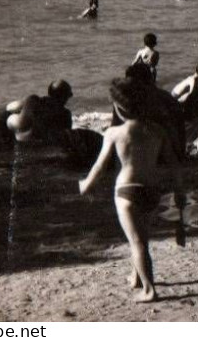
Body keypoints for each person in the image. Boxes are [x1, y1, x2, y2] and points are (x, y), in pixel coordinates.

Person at [78, 78, 186, 303]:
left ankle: (149, 290)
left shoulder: (114, 133)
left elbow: (99, 166)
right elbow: (174, 163)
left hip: (127, 192)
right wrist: (179, 190)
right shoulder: (158, 131)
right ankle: (136, 277)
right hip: (152, 191)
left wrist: (86, 184)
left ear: (118, 107)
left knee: (137, 242)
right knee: (139, 236)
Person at [169, 60, 198, 140]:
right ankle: (195, 139)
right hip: (174, 106)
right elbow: (188, 98)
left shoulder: (191, 78)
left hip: (172, 102)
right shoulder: (194, 81)